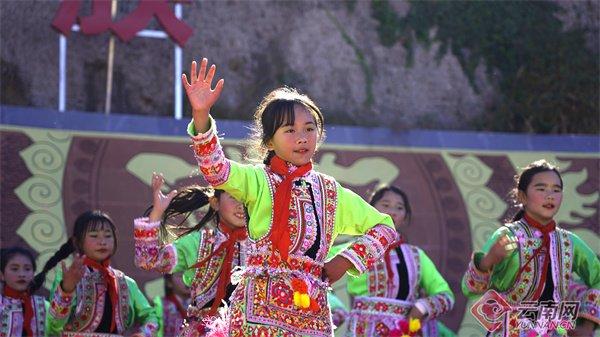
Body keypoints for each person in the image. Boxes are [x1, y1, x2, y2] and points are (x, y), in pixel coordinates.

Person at [182, 58, 397, 336]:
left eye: (309, 129)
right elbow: (216, 169)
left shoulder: (330, 191)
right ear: (269, 141)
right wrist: (201, 116)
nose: (302, 138)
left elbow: (385, 228)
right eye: (290, 130)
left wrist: (345, 261)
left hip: (311, 311)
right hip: (256, 310)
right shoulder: (258, 180)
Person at [462, 160, 599, 337]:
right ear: (522, 196)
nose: (550, 196)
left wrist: (588, 326)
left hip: (556, 330)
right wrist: (487, 261)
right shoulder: (508, 236)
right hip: (510, 331)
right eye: (541, 189)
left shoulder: (569, 242)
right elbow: (469, 289)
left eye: (556, 190)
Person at [134, 173, 249, 336]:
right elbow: (147, 260)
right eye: (234, 198)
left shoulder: (262, 246)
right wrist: (157, 214)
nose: (241, 205)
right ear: (215, 203)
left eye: (246, 199)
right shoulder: (198, 243)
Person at [343, 186, 455, 337]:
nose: (392, 212)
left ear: (405, 216)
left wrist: (421, 308)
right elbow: (316, 273)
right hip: (363, 330)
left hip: (405, 331)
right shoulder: (353, 248)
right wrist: (336, 310)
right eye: (386, 205)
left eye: (399, 208)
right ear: (370, 209)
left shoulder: (416, 255)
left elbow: (445, 296)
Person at [40, 210, 158, 336]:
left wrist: (144, 334)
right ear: (77, 242)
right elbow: (54, 326)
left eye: (108, 236)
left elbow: (151, 317)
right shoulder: (68, 278)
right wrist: (67, 290)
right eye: (94, 235)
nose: (102, 242)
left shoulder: (125, 282)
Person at [0, 247, 48, 337]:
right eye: (14, 269)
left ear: (33, 274)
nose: (22, 274)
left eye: (27, 269)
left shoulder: (43, 305)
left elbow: (58, 327)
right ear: (2, 275)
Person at [153, 272, 190, 337]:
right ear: (169, 282)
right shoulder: (161, 306)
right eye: (181, 276)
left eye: (191, 274)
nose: (188, 279)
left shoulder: (201, 305)